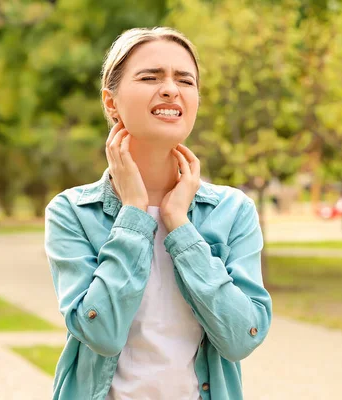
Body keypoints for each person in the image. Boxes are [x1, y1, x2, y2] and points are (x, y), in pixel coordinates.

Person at [44, 27, 272, 400]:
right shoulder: (72, 212)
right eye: (150, 77)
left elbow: (240, 338)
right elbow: (102, 333)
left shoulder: (232, 212)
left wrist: (180, 226)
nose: (170, 88)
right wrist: (134, 214)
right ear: (111, 102)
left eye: (185, 80)